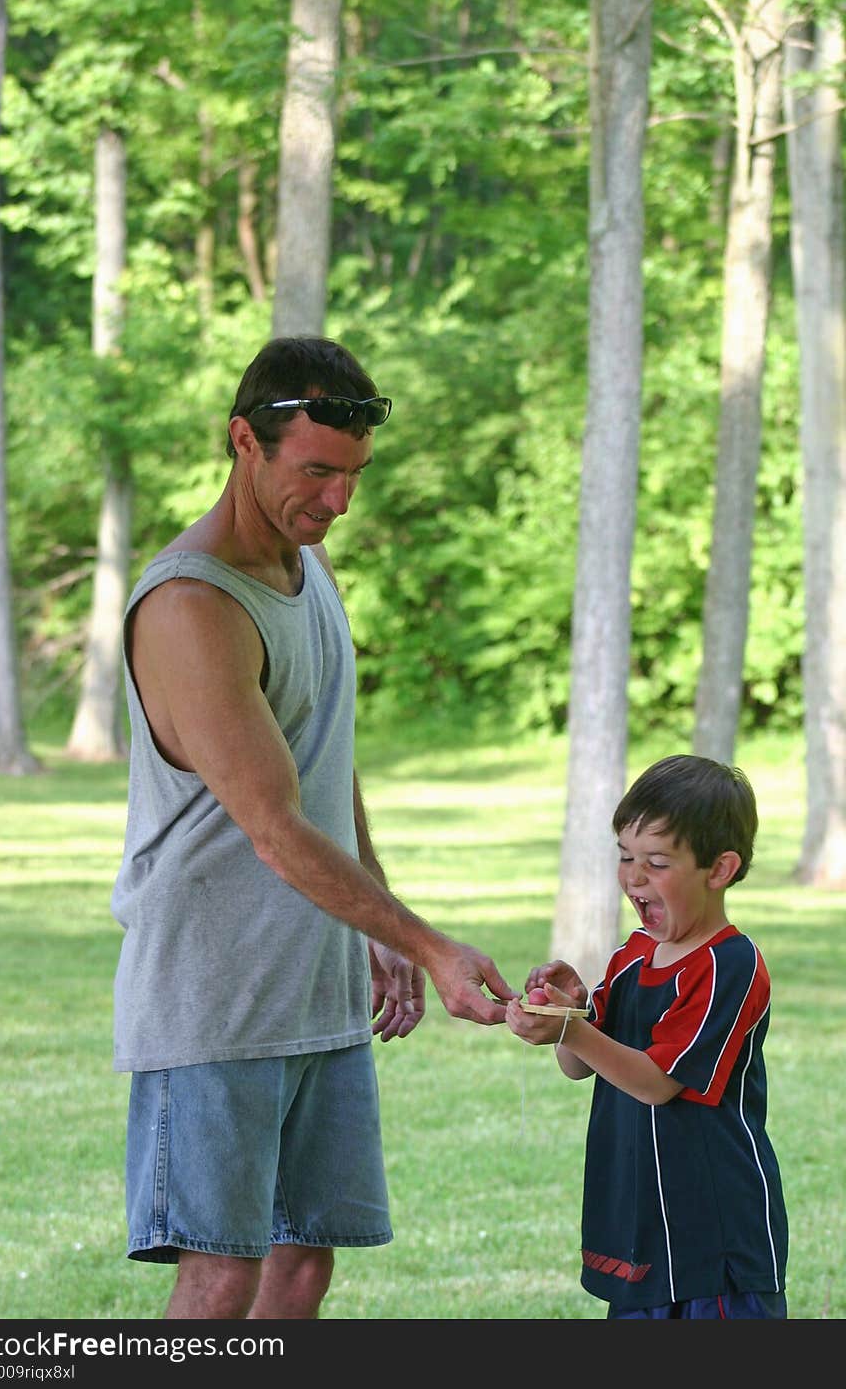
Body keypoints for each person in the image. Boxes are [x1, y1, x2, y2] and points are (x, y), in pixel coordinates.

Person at [110, 334, 518, 1319]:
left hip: (313, 980)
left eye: (354, 476)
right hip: (218, 992)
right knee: (221, 1273)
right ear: (243, 440)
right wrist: (425, 945)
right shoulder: (191, 605)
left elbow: (327, 768)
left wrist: (373, 930)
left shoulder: (307, 566)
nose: (338, 501)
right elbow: (273, 827)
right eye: (317, 472)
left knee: (305, 1260)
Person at [506, 754, 788, 1320]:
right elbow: (578, 1066)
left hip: (714, 1235)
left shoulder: (728, 965)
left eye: (656, 862)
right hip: (640, 1220)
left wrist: (574, 1029)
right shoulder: (633, 956)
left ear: (720, 869)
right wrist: (573, 1011)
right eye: (626, 856)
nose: (634, 877)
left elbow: (658, 1083)